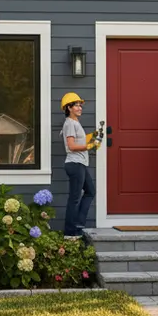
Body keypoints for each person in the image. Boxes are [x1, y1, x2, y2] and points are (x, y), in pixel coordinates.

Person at [60, 92, 100, 237]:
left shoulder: (75, 123)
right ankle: (70, 232)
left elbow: (80, 142)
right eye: (76, 105)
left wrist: (93, 138)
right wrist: (89, 146)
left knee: (90, 192)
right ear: (69, 108)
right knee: (75, 198)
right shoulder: (70, 123)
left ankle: (78, 223)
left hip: (80, 163)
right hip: (74, 163)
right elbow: (71, 146)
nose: (79, 107)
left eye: (80, 105)